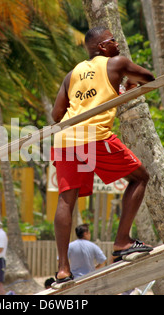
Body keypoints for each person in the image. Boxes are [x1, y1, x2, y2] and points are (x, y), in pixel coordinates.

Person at [51, 26, 156, 284]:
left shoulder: (71, 75)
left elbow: (56, 115)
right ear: (101, 47)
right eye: (112, 40)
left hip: (64, 139)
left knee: (66, 200)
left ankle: (63, 269)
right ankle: (122, 241)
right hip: (94, 136)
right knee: (140, 177)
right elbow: (149, 77)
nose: (117, 43)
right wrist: (129, 83)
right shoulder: (116, 63)